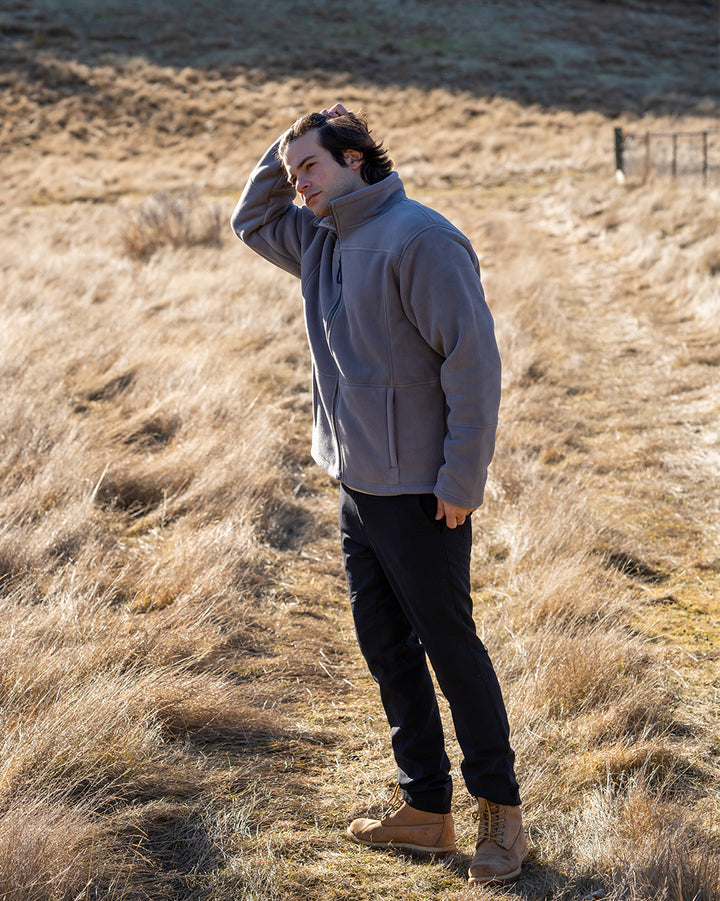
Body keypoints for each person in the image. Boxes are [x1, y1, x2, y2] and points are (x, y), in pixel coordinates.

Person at [231, 103, 527, 885]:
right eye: (294, 172)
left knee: (450, 650)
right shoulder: (320, 236)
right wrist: (288, 145)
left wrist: (461, 479)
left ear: (358, 159)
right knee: (386, 649)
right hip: (357, 487)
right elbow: (249, 219)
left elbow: (473, 367)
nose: (298, 185)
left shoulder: (420, 239)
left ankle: (502, 813)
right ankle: (425, 810)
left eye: (313, 167)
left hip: (424, 494)